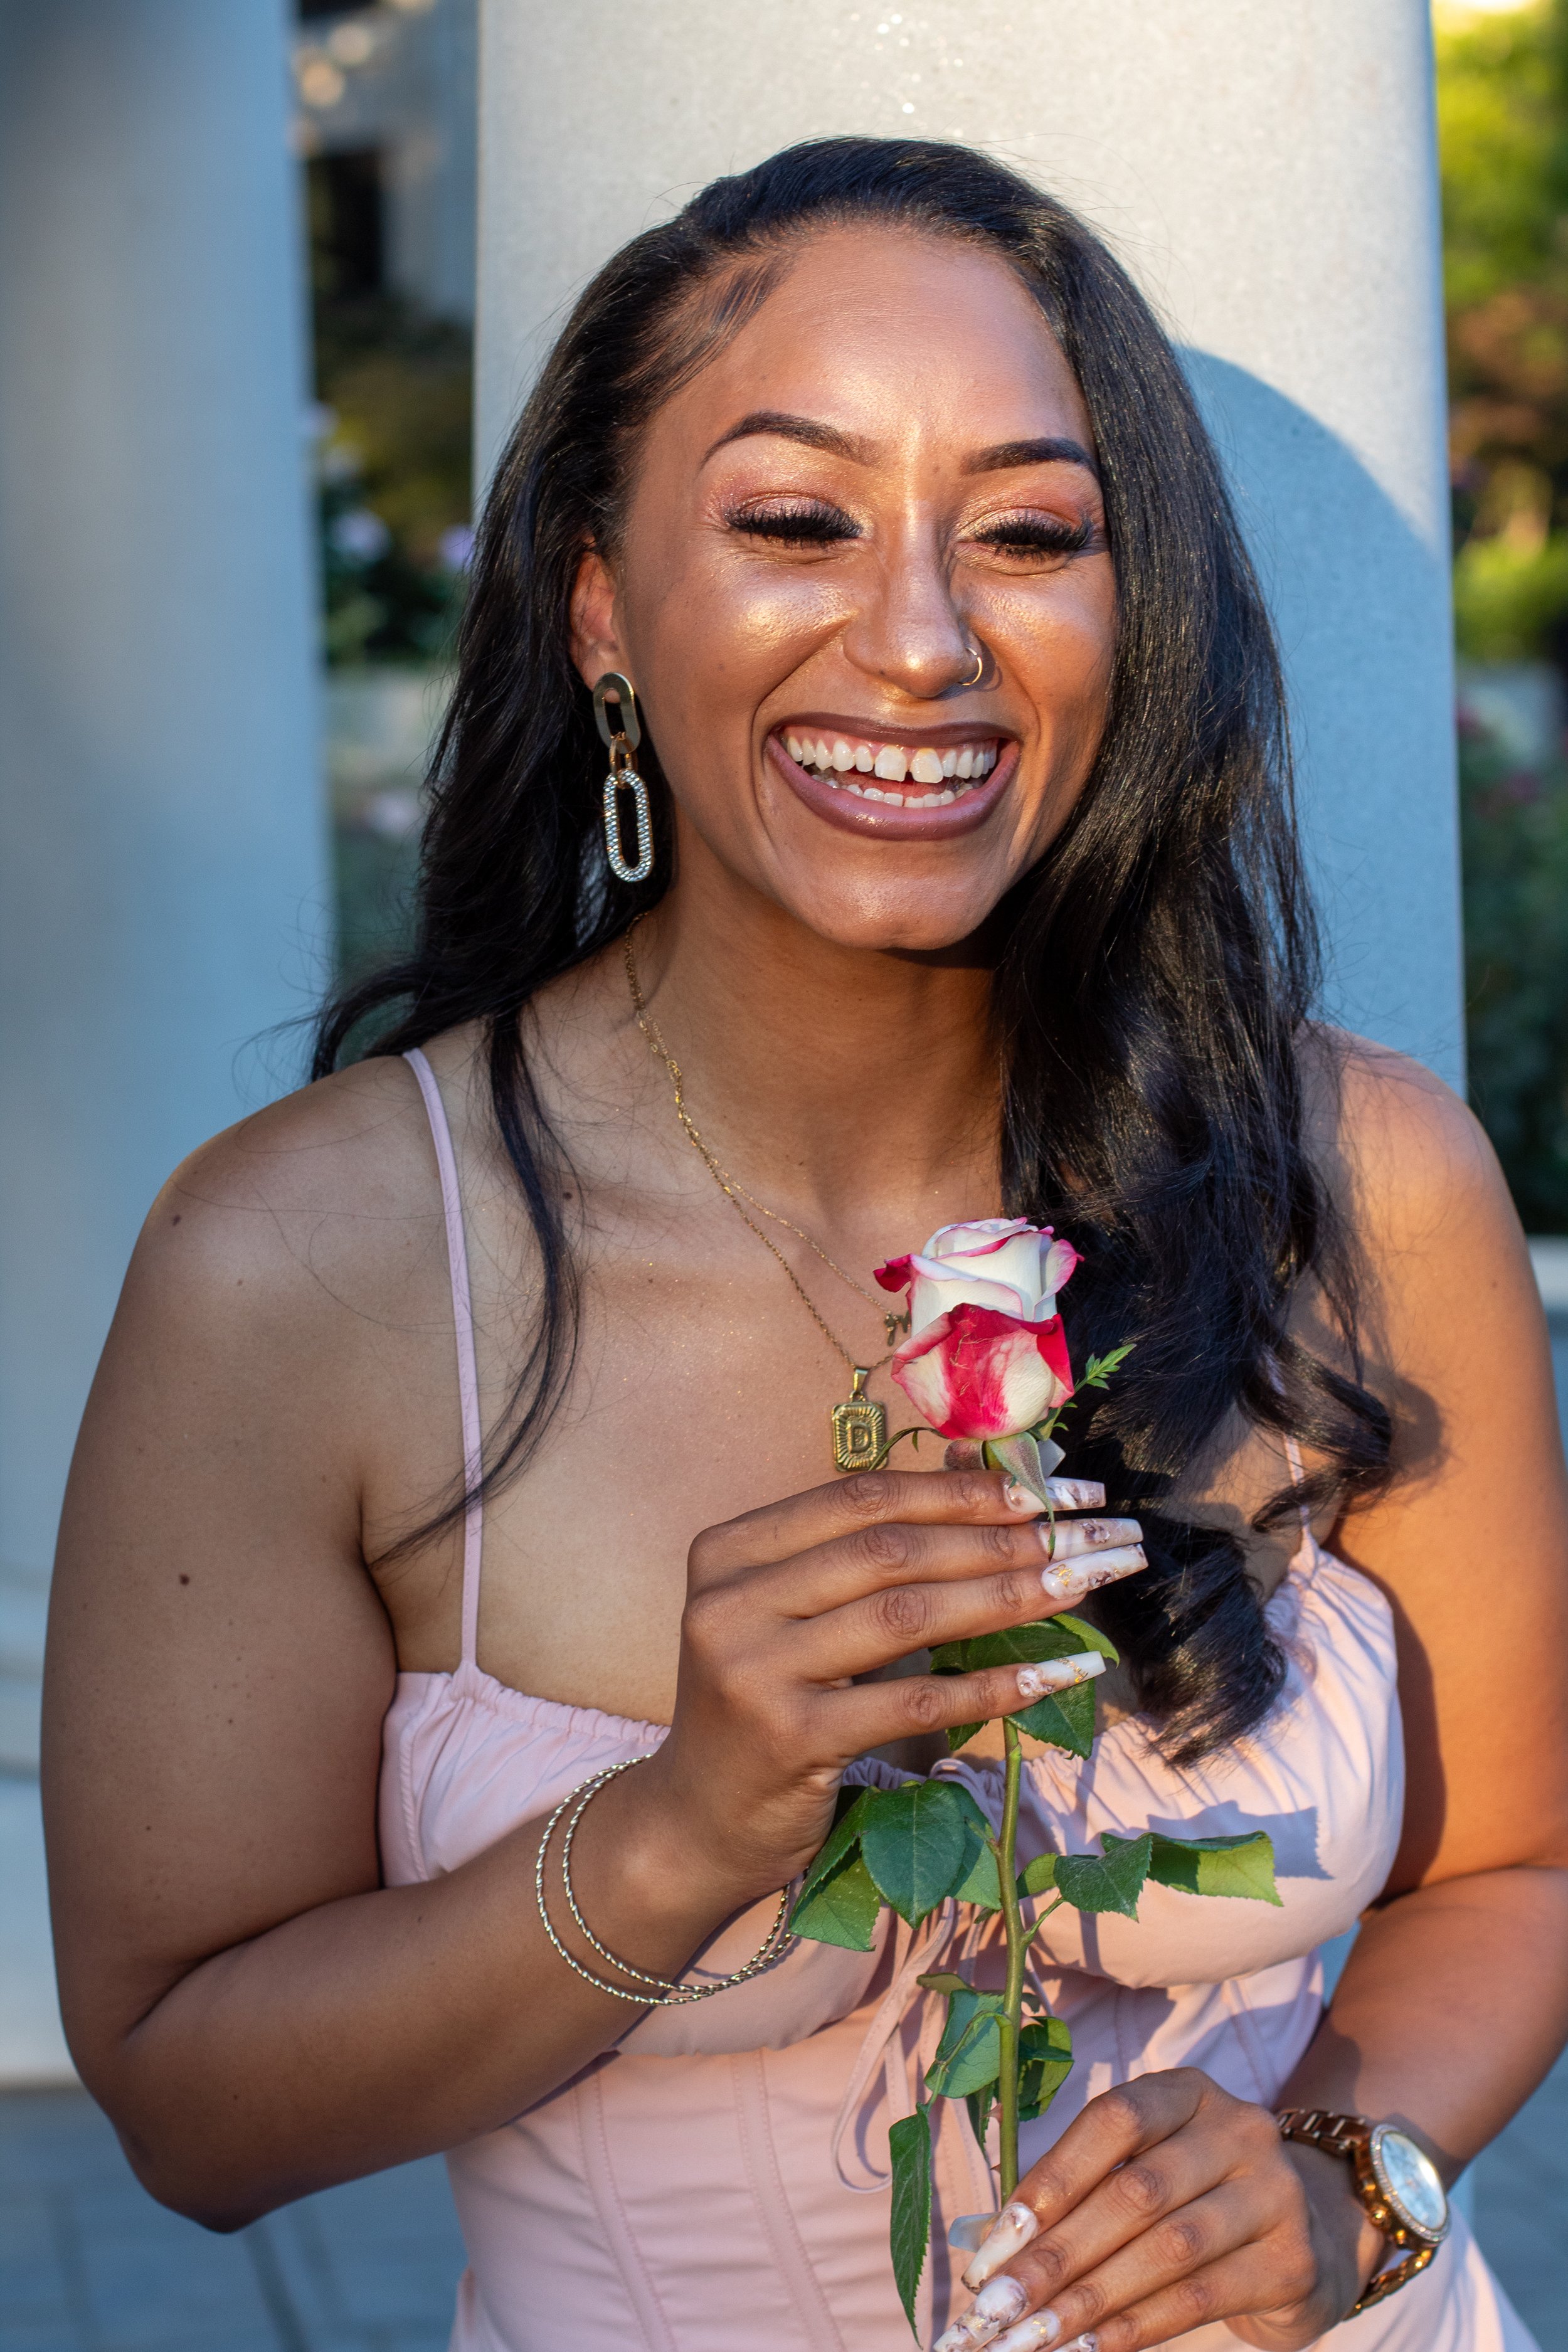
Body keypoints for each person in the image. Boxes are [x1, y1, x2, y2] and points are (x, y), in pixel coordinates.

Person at [43, 138, 1568, 2352]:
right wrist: (675, 1833)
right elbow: (192, 2115)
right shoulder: (307, 1270)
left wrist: (1345, 2181)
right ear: (597, 604)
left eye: (1028, 534)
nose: (923, 639)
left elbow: (1511, 1871)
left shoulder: (1362, 1180)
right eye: (793, 522)